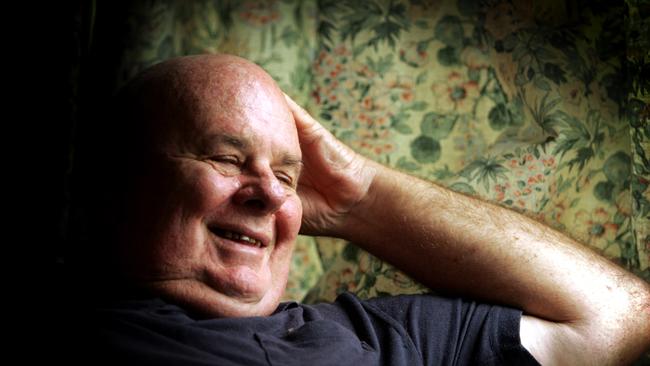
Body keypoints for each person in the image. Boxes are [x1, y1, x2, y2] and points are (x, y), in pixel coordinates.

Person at [78, 54, 650, 365]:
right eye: (227, 158)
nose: (274, 195)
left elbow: (618, 317)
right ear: (119, 182)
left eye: (286, 175)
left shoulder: (375, 336)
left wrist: (361, 196)